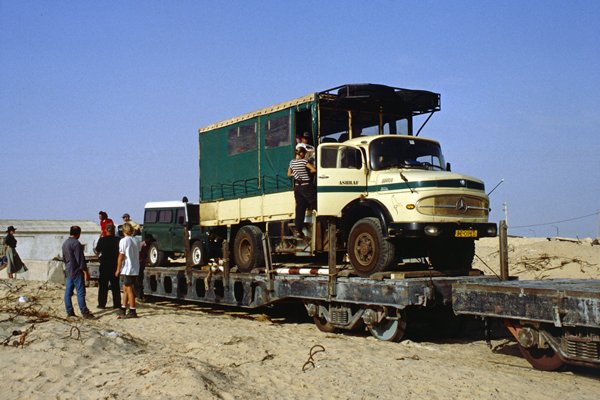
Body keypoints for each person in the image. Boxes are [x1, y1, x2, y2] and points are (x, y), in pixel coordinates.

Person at [62, 226, 94, 319]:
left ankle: (70, 311)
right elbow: (80, 259)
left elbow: (64, 258)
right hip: (76, 270)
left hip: (68, 270)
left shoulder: (65, 243)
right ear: (78, 234)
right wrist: (85, 272)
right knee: (80, 292)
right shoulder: (76, 244)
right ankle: (84, 312)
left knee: (68, 292)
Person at [287, 147, 317, 239]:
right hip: (306, 186)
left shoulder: (292, 162)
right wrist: (308, 173)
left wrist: (296, 175)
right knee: (315, 203)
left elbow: (288, 174)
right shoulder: (304, 162)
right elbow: (314, 170)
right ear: (302, 154)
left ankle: (298, 230)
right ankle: (323, 222)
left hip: (297, 187)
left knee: (300, 208)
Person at [115, 222, 141, 319]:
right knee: (125, 288)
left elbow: (121, 256)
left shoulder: (124, 241)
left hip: (128, 268)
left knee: (129, 289)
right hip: (135, 267)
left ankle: (132, 309)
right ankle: (123, 308)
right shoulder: (136, 240)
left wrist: (118, 268)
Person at [94, 223, 121, 309]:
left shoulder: (102, 240)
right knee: (115, 286)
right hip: (114, 265)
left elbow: (97, 251)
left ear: (105, 230)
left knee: (103, 286)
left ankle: (102, 304)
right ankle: (117, 304)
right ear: (114, 230)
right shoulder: (118, 240)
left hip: (104, 265)